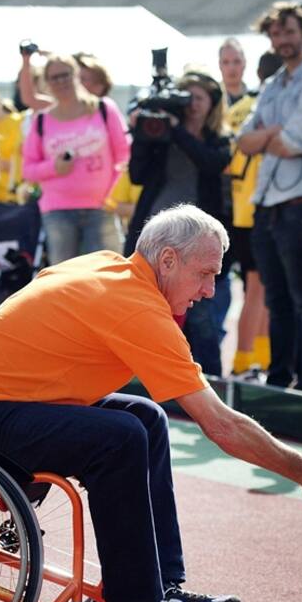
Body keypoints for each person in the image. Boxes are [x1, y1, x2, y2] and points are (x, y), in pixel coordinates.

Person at [0, 204, 302, 602]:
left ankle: (164, 589)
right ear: (167, 260)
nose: (211, 290)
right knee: (118, 437)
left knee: (145, 416)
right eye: (205, 273)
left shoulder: (112, 268)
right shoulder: (135, 306)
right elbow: (222, 426)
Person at [238, 2, 302, 395]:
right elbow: (244, 142)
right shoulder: (271, 85)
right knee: (276, 299)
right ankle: (280, 379)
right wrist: (269, 136)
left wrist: (268, 136)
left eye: (289, 32)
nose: (283, 40)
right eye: (276, 34)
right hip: (265, 204)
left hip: (300, 201)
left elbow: (291, 143)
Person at [126, 69, 232, 376]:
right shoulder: (160, 133)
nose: (193, 105)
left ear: (213, 102)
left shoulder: (218, 140)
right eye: (187, 98)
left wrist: (178, 132)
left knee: (202, 321)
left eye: (199, 98)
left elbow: (210, 162)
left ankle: (210, 385)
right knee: (146, 311)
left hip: (201, 245)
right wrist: (143, 134)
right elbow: (136, 175)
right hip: (156, 239)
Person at [22, 54, 130, 265]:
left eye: (65, 75)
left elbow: (124, 153)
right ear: (47, 82)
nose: (61, 81)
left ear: (76, 75)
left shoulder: (103, 109)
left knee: (107, 275)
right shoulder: (42, 120)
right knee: (65, 281)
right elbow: (28, 170)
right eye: (54, 77)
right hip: (58, 211)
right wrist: (54, 167)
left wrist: (113, 195)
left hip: (102, 208)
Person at [224, 43, 272, 376]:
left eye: (236, 61)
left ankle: (257, 359)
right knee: (257, 290)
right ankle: (245, 361)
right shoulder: (255, 108)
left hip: (244, 209)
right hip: (253, 210)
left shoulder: (238, 108)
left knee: (260, 289)